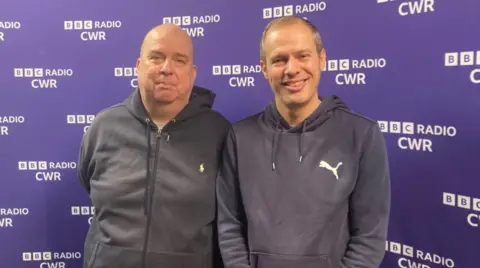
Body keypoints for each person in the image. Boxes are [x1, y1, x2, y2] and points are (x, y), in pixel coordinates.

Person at [216, 16, 391, 268]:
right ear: (264, 68)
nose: (292, 69)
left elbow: (370, 237)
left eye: (302, 56)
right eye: (279, 59)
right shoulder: (240, 137)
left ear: (321, 60)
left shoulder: (362, 134)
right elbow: (230, 225)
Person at [77, 24, 230, 268]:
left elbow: (230, 220)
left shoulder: (219, 133)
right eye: (156, 58)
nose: (166, 69)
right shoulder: (103, 127)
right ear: (139, 66)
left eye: (179, 60)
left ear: (193, 73)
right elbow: (87, 181)